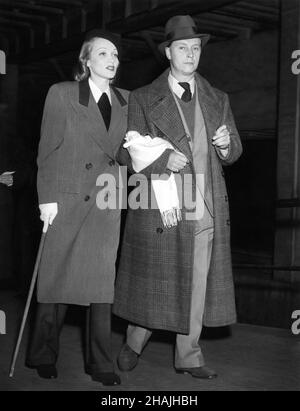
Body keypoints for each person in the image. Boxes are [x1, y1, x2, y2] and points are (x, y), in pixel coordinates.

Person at [113, 15, 242, 379]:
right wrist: (161, 158)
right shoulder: (142, 98)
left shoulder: (218, 98)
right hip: (164, 208)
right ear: (168, 52)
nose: (190, 54)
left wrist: (227, 145)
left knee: (198, 285)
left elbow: (235, 150)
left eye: (196, 48)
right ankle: (134, 341)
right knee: (156, 283)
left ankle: (189, 356)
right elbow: (127, 154)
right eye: (183, 48)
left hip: (206, 207)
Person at [26, 30, 128, 386]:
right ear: (86, 61)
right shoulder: (63, 93)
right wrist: (46, 198)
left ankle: (100, 364)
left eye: (115, 53)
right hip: (65, 201)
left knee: (101, 289)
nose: (111, 58)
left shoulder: (127, 100)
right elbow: (48, 149)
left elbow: (130, 153)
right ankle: (42, 355)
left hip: (105, 203)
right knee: (56, 282)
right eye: (102, 53)